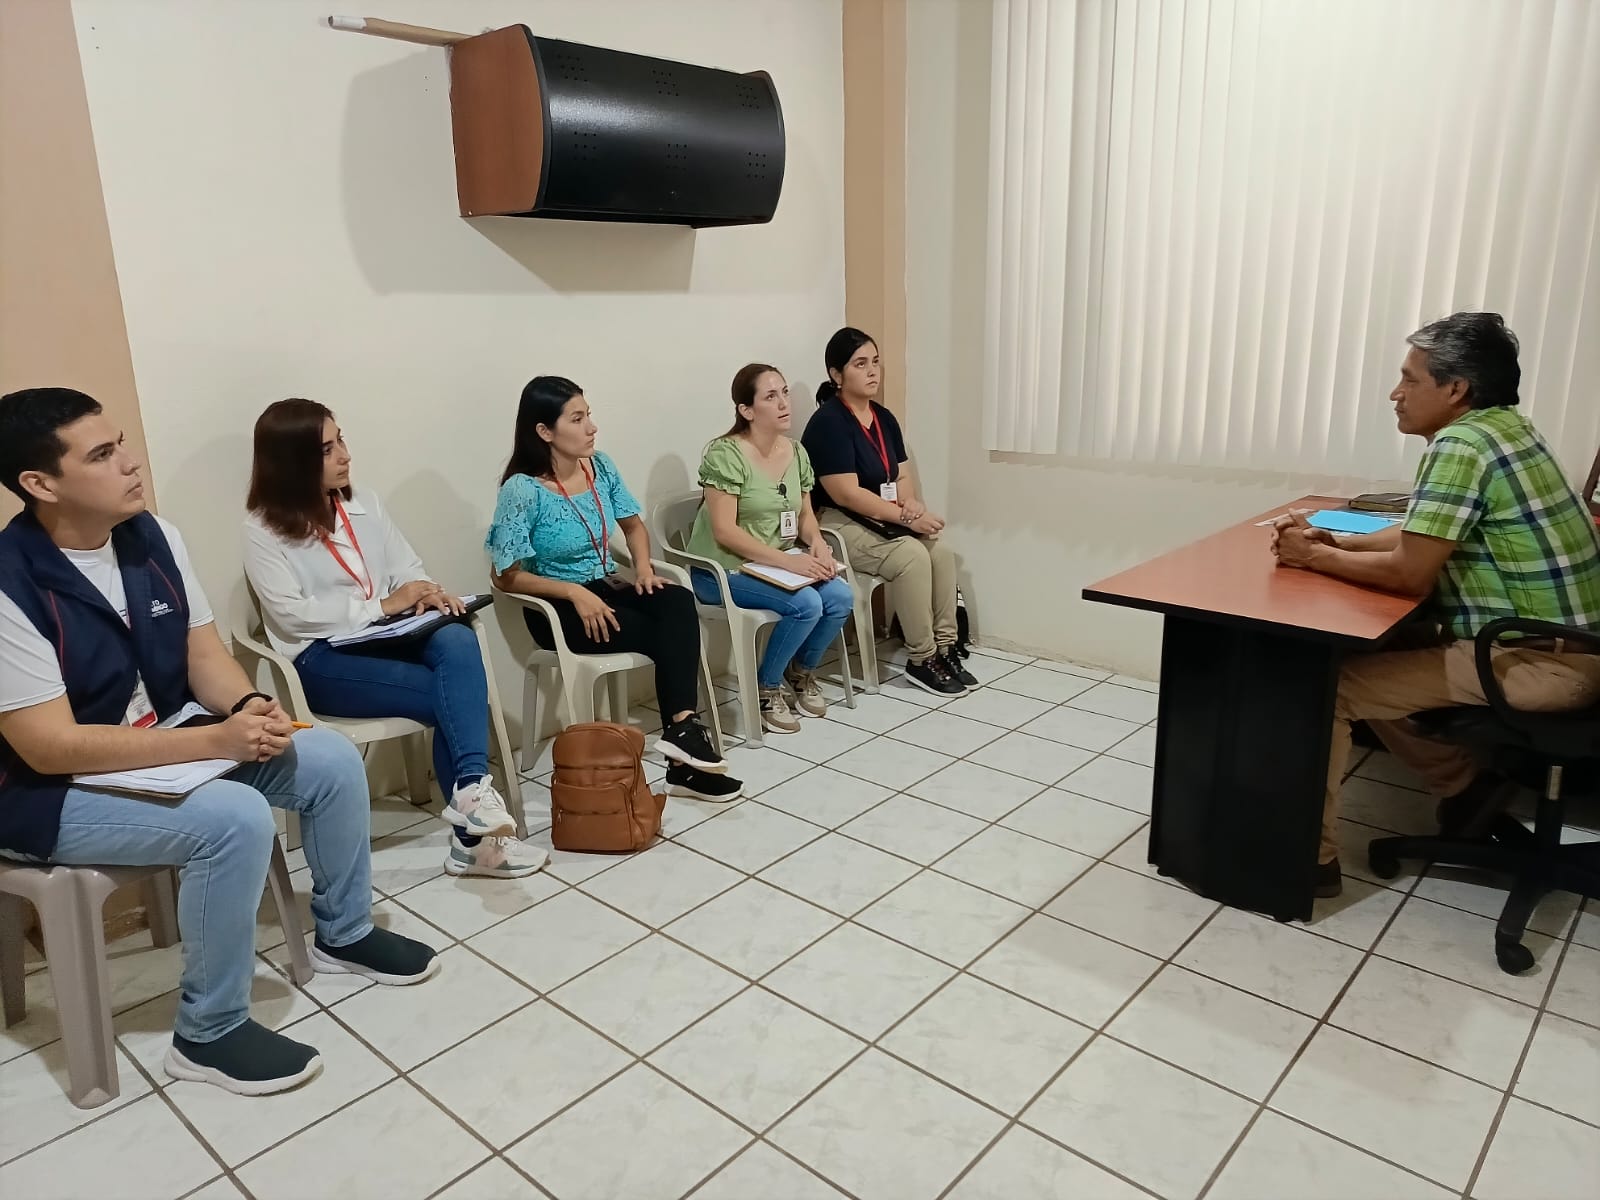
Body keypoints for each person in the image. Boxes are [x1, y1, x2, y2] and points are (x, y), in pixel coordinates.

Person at [0, 387, 438, 1097]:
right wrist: (214, 746)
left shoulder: (152, 537)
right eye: (102, 454)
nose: (130, 464)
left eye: (122, 444)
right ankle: (207, 1033)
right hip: (42, 792)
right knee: (232, 819)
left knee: (326, 756)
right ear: (41, 484)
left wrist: (248, 707)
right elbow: (50, 747)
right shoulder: (9, 582)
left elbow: (202, 654)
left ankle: (345, 932)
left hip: (164, 743)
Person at [1272, 313, 1600, 898]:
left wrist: (1311, 557)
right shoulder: (1506, 429)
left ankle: (1307, 863)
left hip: (1543, 662)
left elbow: (1410, 571)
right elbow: (1422, 533)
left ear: (1456, 388)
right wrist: (1337, 542)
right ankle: (1467, 789)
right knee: (1378, 645)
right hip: (1571, 647)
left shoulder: (1460, 446)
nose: (1395, 394)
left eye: (1409, 379)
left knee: (1332, 689)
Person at [243, 398, 544, 879]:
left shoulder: (363, 503)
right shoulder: (262, 530)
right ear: (291, 462)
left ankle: (469, 796)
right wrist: (382, 606)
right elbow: (292, 616)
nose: (344, 455)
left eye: (341, 439)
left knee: (457, 638)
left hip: (387, 635)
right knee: (455, 696)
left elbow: (406, 566)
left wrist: (423, 592)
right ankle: (474, 842)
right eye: (326, 449)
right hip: (321, 659)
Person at [487, 376, 741, 802]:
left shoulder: (599, 466)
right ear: (544, 431)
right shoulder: (523, 490)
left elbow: (634, 527)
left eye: (588, 415)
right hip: (557, 607)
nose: (592, 427)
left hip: (607, 585)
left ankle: (682, 734)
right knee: (667, 633)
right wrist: (574, 593)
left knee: (677, 599)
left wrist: (642, 569)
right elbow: (505, 575)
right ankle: (684, 756)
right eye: (577, 419)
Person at [800, 327, 972, 697]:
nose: (872, 371)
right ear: (836, 374)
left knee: (940, 553)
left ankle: (945, 648)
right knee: (912, 555)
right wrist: (905, 518)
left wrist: (910, 504)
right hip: (837, 522)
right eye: (860, 364)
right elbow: (846, 494)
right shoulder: (829, 422)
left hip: (882, 517)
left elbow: (901, 475)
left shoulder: (883, 417)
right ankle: (921, 658)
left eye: (875, 362)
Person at [686, 364, 854, 734]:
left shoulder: (795, 452)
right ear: (746, 410)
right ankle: (766, 688)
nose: (783, 403)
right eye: (770, 396)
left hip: (777, 563)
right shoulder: (725, 454)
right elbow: (725, 532)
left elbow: (805, 514)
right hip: (723, 569)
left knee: (840, 597)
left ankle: (801, 671)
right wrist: (789, 564)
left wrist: (817, 544)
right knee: (806, 604)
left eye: (785, 393)